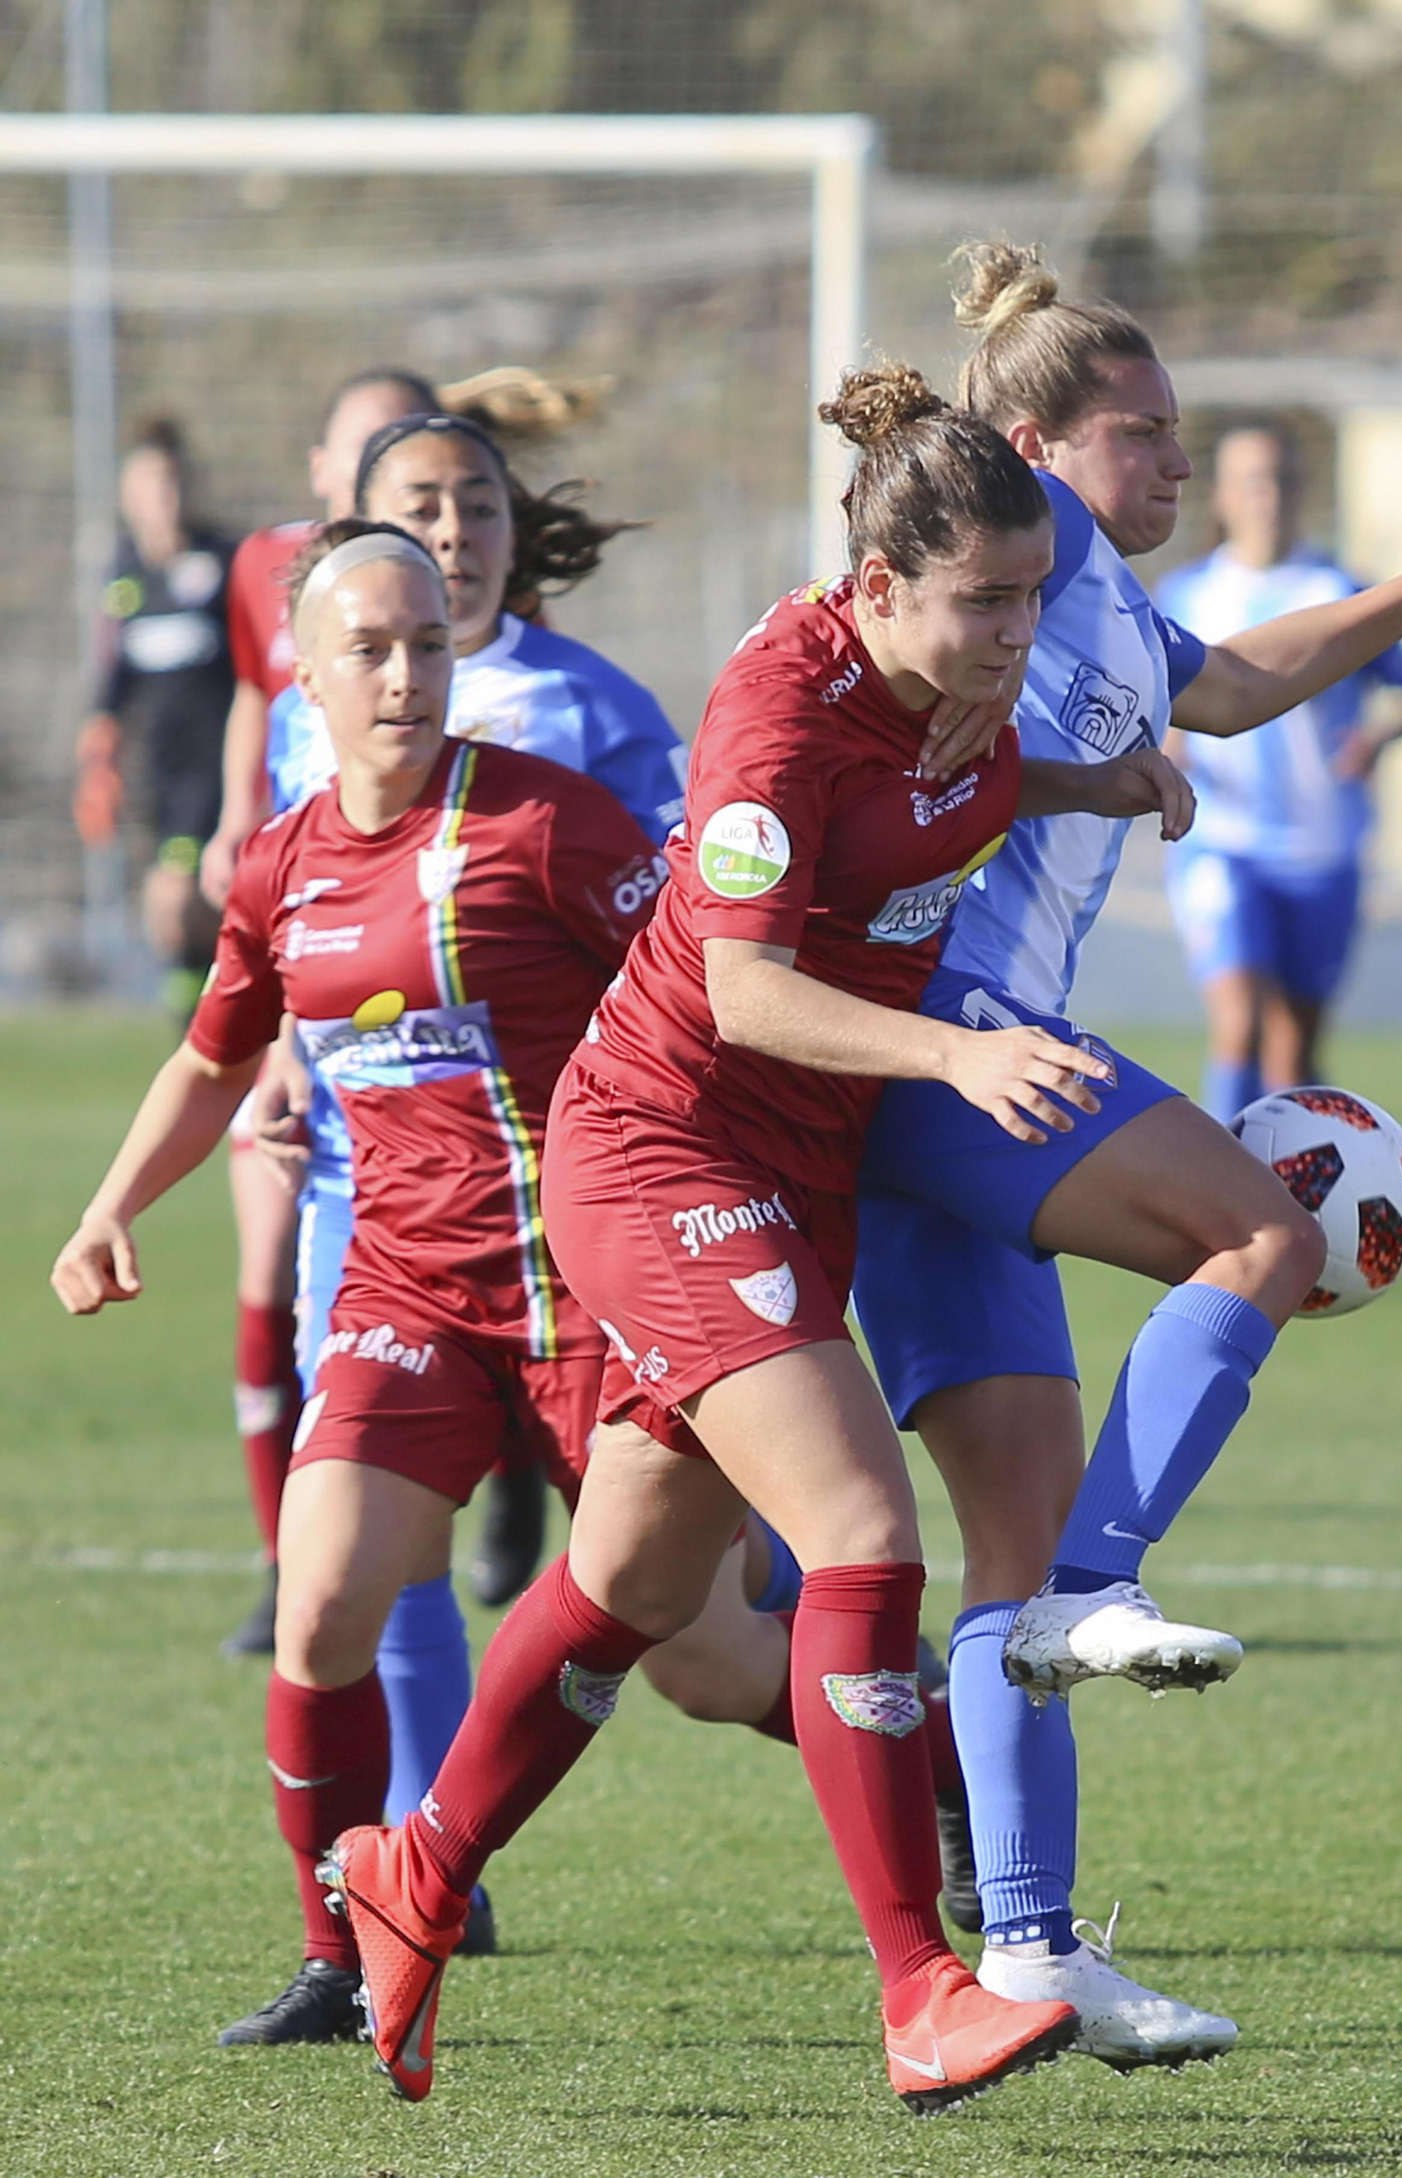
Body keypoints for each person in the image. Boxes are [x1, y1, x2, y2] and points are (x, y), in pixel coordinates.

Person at [316, 364, 1193, 2113]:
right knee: (861, 1536)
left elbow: (972, 780)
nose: (1017, 631)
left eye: (1032, 597)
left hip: (786, 1173)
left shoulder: (958, 695)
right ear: (876, 591)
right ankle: (921, 1982)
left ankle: (414, 1866)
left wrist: (1105, 783)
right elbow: (741, 981)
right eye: (984, 603)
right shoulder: (775, 711)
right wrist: (958, 1047)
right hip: (660, 1149)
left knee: (637, 1581)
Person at [847, 241, 1402, 2050]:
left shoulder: (1089, 593)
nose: (1178, 462)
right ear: (1031, 441)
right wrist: (1089, 778)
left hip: (935, 1090)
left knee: (1001, 1556)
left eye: (1182, 435)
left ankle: (1024, 1954)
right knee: (1258, 1230)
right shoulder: (998, 581)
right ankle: (1109, 1583)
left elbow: (1240, 683)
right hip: (962, 1046)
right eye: (1144, 432)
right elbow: (881, 760)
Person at [50, 521, 671, 2052]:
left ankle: (926, 1774)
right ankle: (342, 1950)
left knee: (721, 1655)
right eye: (371, 650)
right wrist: (111, 1207)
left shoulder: (554, 827)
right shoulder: (279, 863)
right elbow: (214, 1056)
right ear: (307, 672)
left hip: (590, 1293)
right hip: (414, 1298)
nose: (405, 674)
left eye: (429, 647)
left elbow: (698, 996)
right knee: (319, 1600)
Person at [257, 409, 683, 1916]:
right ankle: (373, 1911)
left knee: (698, 1646)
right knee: (344, 1581)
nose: (451, 532)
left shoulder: (575, 735)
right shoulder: (298, 748)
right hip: (381, 1230)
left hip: (576, 1244)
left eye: (473, 504)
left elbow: (697, 954)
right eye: (418, 507)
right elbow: (277, 929)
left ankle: (935, 1779)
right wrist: (252, 1086)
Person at [207, 367, 441, 1663]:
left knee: (675, 1598)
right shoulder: (276, 587)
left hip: (480, 1116)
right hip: (320, 1025)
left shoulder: (451, 654)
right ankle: (281, 1562)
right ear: (322, 474)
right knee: (271, 1270)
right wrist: (228, 833)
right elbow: (270, 740)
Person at [1157, 422, 1402, 1118]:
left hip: (1320, 845)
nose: (1267, 496)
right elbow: (1138, 696)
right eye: (1251, 480)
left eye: (1280, 479)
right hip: (1221, 840)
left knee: (1292, 1051)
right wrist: (1165, 740)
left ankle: (1296, 1193)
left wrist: (1377, 734)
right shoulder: (1185, 595)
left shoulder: (1336, 588)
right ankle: (1219, 1190)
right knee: (1239, 1018)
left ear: (1301, 490)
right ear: (1221, 495)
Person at [73, 418, 235, 1023]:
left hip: (219, 776)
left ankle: (200, 1043)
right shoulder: (125, 580)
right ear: (127, 494)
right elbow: (112, 684)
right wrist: (97, 761)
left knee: (174, 901)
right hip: (157, 778)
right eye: (148, 483)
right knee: (181, 919)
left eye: (172, 481)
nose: (163, 496)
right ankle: (205, 1034)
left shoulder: (223, 563)